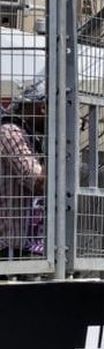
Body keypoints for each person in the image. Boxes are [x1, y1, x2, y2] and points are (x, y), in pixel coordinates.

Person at [0, 100, 44, 259]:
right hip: (10, 250)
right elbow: (39, 184)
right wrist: (63, 140)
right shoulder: (10, 132)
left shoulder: (32, 136)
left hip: (30, 246)